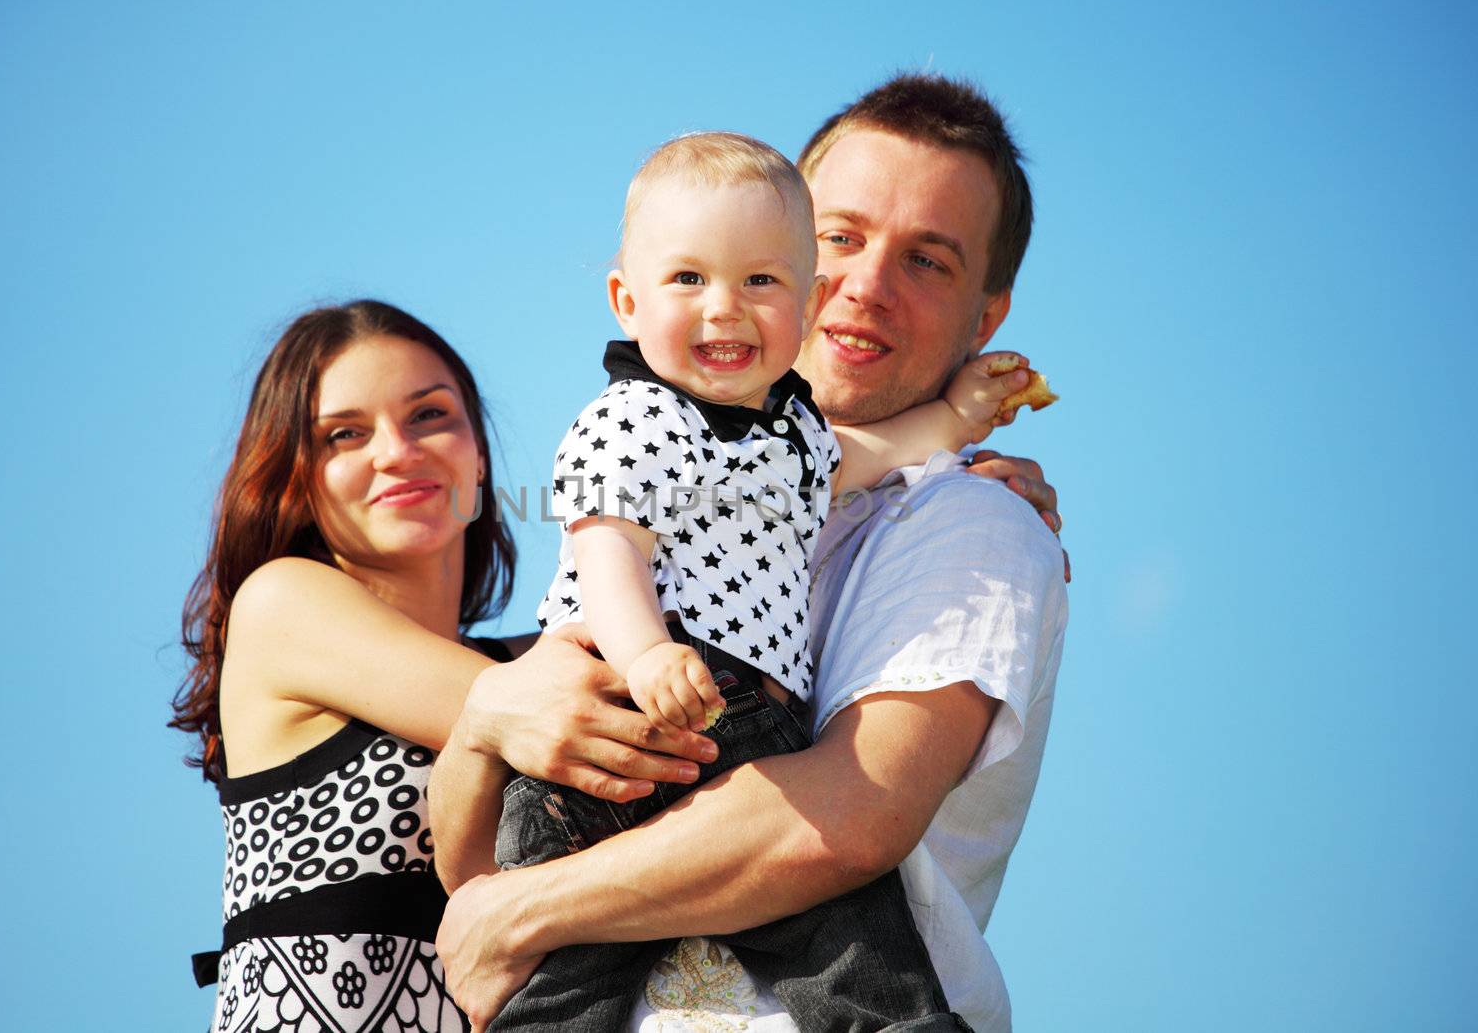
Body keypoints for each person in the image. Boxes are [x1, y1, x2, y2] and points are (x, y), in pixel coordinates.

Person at [430, 73, 1068, 1033]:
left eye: (928, 261)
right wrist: (490, 715)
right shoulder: (670, 441)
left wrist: (521, 910)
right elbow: (467, 849)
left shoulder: (969, 520)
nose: (866, 286)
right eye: (843, 237)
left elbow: (847, 817)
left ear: (985, 318)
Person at [170, 301, 714, 1032]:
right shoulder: (279, 605)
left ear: (478, 454)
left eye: (429, 416)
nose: (397, 451)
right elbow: (606, 711)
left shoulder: (532, 661)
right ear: (295, 477)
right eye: (344, 434)